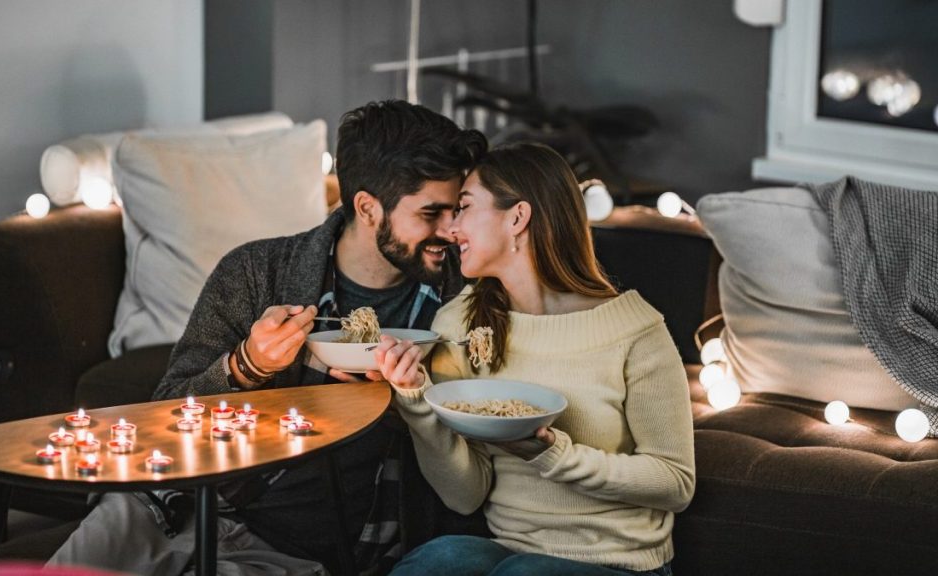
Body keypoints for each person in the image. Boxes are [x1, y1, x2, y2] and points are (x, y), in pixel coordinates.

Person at [48, 100, 487, 576]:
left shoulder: (466, 299)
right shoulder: (256, 273)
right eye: (432, 213)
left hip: (301, 554)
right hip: (178, 510)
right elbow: (166, 413)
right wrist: (245, 366)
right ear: (366, 207)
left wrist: (409, 402)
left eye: (457, 209)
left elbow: (474, 460)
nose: (452, 229)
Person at [371, 143, 695, 576]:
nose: (451, 229)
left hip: (620, 563)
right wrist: (416, 400)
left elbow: (676, 483)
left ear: (518, 218)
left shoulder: (634, 330)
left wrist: (553, 456)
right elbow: (464, 495)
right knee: (438, 560)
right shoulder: (461, 325)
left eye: (464, 208)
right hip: (509, 550)